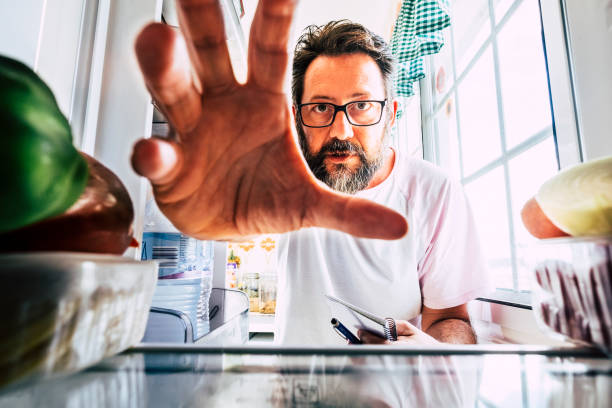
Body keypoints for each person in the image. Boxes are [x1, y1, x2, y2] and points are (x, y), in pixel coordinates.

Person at [131, 0, 490, 345]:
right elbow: (240, 230)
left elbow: (450, 319)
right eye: (320, 108)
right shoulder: (287, 178)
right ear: (297, 116)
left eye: (362, 105)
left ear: (390, 114)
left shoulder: (434, 192)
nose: (341, 131)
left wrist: (428, 353)